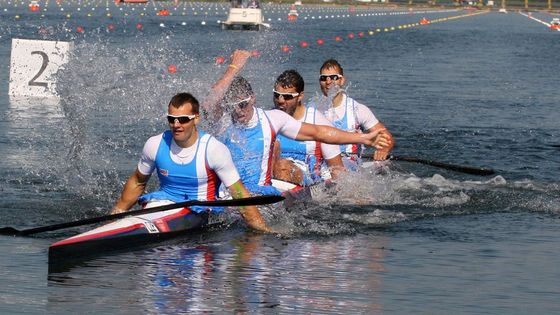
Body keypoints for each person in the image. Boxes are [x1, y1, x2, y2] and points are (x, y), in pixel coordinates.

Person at [202, 50, 391, 195]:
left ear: (252, 99)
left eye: (243, 104)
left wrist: (363, 139)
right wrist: (233, 68)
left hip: (281, 184)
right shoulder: (224, 122)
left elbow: (321, 134)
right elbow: (209, 102)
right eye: (277, 96)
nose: (238, 110)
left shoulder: (273, 119)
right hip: (232, 191)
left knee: (281, 163)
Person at [111, 92, 271, 233]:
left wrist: (263, 230)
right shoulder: (154, 144)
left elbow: (239, 193)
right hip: (164, 203)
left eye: (183, 120)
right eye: (171, 119)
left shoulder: (214, 149)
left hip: (200, 209)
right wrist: (116, 215)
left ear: (196, 119)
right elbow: (138, 181)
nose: (176, 125)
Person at [312, 59, 394, 168]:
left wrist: (384, 150)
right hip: (320, 164)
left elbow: (386, 137)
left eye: (334, 77)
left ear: (342, 80)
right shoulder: (312, 109)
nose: (328, 82)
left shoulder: (357, 110)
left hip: (348, 165)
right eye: (323, 78)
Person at [272, 69, 345, 186]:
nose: (280, 101)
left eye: (287, 97)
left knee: (282, 166)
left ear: (300, 96)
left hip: (307, 179)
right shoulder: (268, 118)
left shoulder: (317, 121)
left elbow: (337, 170)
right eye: (276, 95)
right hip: (273, 173)